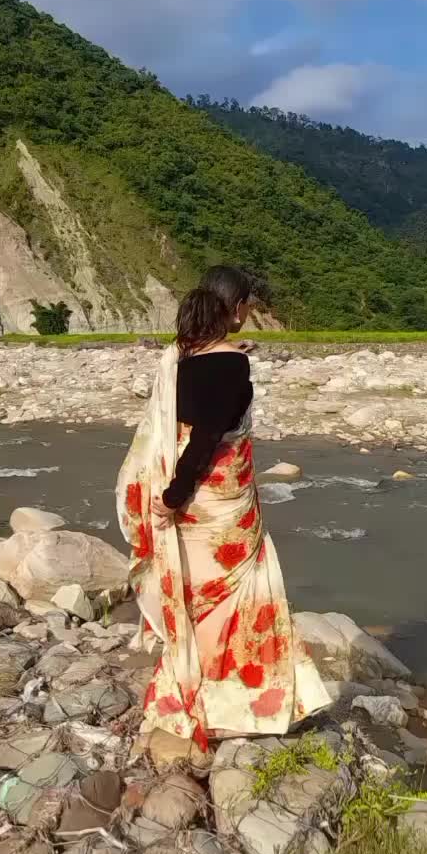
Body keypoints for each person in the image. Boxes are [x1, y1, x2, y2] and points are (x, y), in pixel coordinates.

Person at [116, 265, 331, 752]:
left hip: (192, 504)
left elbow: (189, 427)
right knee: (236, 594)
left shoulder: (179, 357)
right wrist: (174, 497)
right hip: (217, 503)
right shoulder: (231, 363)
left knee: (197, 595)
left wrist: (169, 496)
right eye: (248, 306)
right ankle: (229, 705)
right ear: (235, 309)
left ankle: (185, 694)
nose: (249, 313)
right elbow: (209, 437)